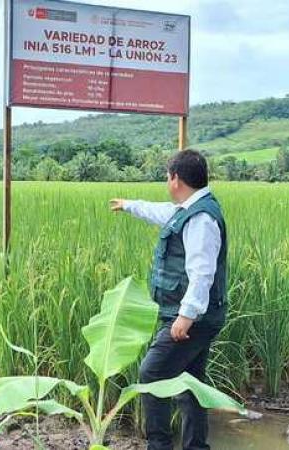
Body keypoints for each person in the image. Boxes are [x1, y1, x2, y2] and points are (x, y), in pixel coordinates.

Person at [110, 149, 227, 450]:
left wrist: (185, 316)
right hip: (194, 315)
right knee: (191, 383)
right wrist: (129, 205)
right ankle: (196, 446)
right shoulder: (191, 208)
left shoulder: (201, 217)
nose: (166, 182)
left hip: (192, 318)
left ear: (175, 178)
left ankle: (159, 445)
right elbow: (162, 212)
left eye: (167, 176)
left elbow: (202, 273)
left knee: (153, 371)